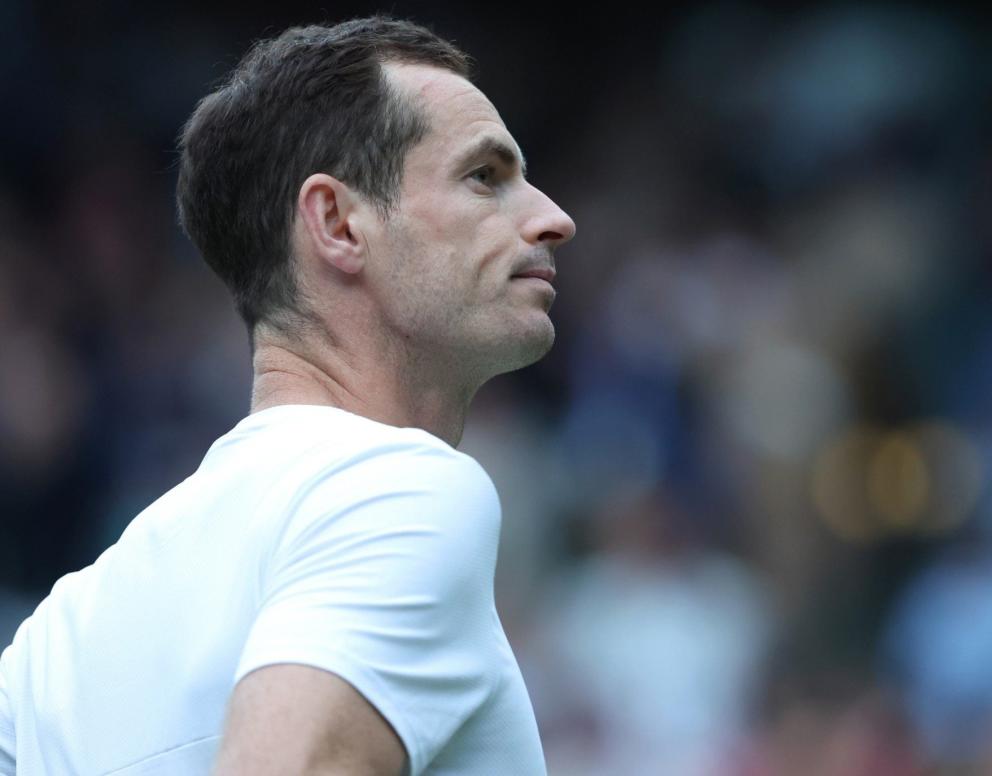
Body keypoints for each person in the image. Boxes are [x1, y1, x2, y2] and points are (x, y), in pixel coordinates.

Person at [0, 15, 574, 775]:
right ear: (337, 223)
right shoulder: (399, 493)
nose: (553, 219)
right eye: (485, 177)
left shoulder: (54, 644)